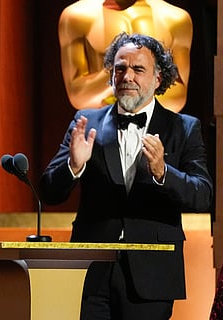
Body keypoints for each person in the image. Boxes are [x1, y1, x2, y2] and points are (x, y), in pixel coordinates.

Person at [40, 32, 212, 319]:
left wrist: (163, 173)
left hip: (152, 275)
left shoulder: (183, 128)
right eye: (120, 68)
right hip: (91, 273)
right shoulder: (86, 122)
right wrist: (74, 166)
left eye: (138, 69)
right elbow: (49, 191)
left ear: (158, 79)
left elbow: (203, 195)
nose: (127, 76)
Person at [58, 0, 192, 112]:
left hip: (156, 129)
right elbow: (78, 95)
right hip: (101, 129)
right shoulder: (77, 17)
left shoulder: (175, 18)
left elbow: (178, 95)